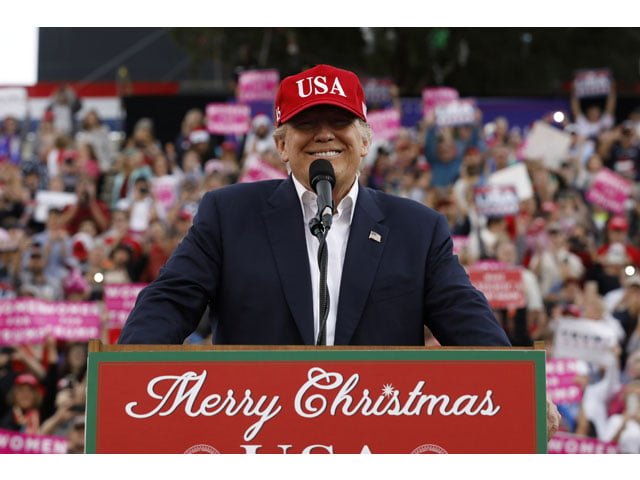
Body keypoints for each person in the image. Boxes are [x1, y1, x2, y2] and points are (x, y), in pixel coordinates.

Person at [117, 64, 560, 436]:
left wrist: (517, 384)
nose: (323, 134)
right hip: (253, 438)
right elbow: (169, 301)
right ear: (280, 144)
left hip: (378, 441)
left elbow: (465, 317)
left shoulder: (417, 228)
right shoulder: (228, 214)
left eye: (339, 122)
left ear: (365, 140)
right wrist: (128, 377)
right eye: (306, 123)